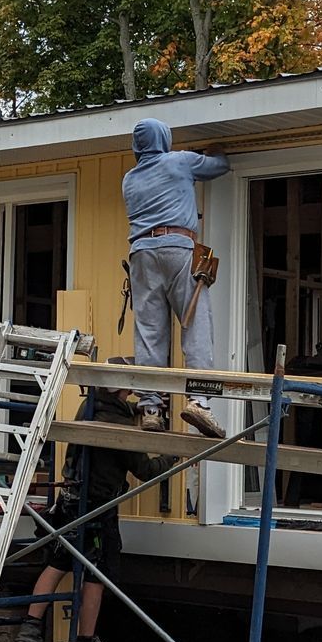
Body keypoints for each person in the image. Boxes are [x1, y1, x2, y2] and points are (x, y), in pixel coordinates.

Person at [11, 381, 172, 642]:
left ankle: (30, 630)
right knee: (98, 572)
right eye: (128, 391)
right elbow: (146, 470)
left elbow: (113, 410)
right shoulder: (118, 427)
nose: (131, 394)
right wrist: (173, 454)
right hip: (99, 508)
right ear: (120, 392)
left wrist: (137, 409)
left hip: (71, 501)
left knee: (58, 562)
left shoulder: (89, 408)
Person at [122, 118, 229, 436]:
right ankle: (199, 401)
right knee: (195, 323)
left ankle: (151, 408)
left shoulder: (129, 179)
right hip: (178, 247)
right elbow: (219, 166)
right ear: (164, 140)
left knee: (149, 330)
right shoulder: (179, 160)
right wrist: (216, 150)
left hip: (141, 253)